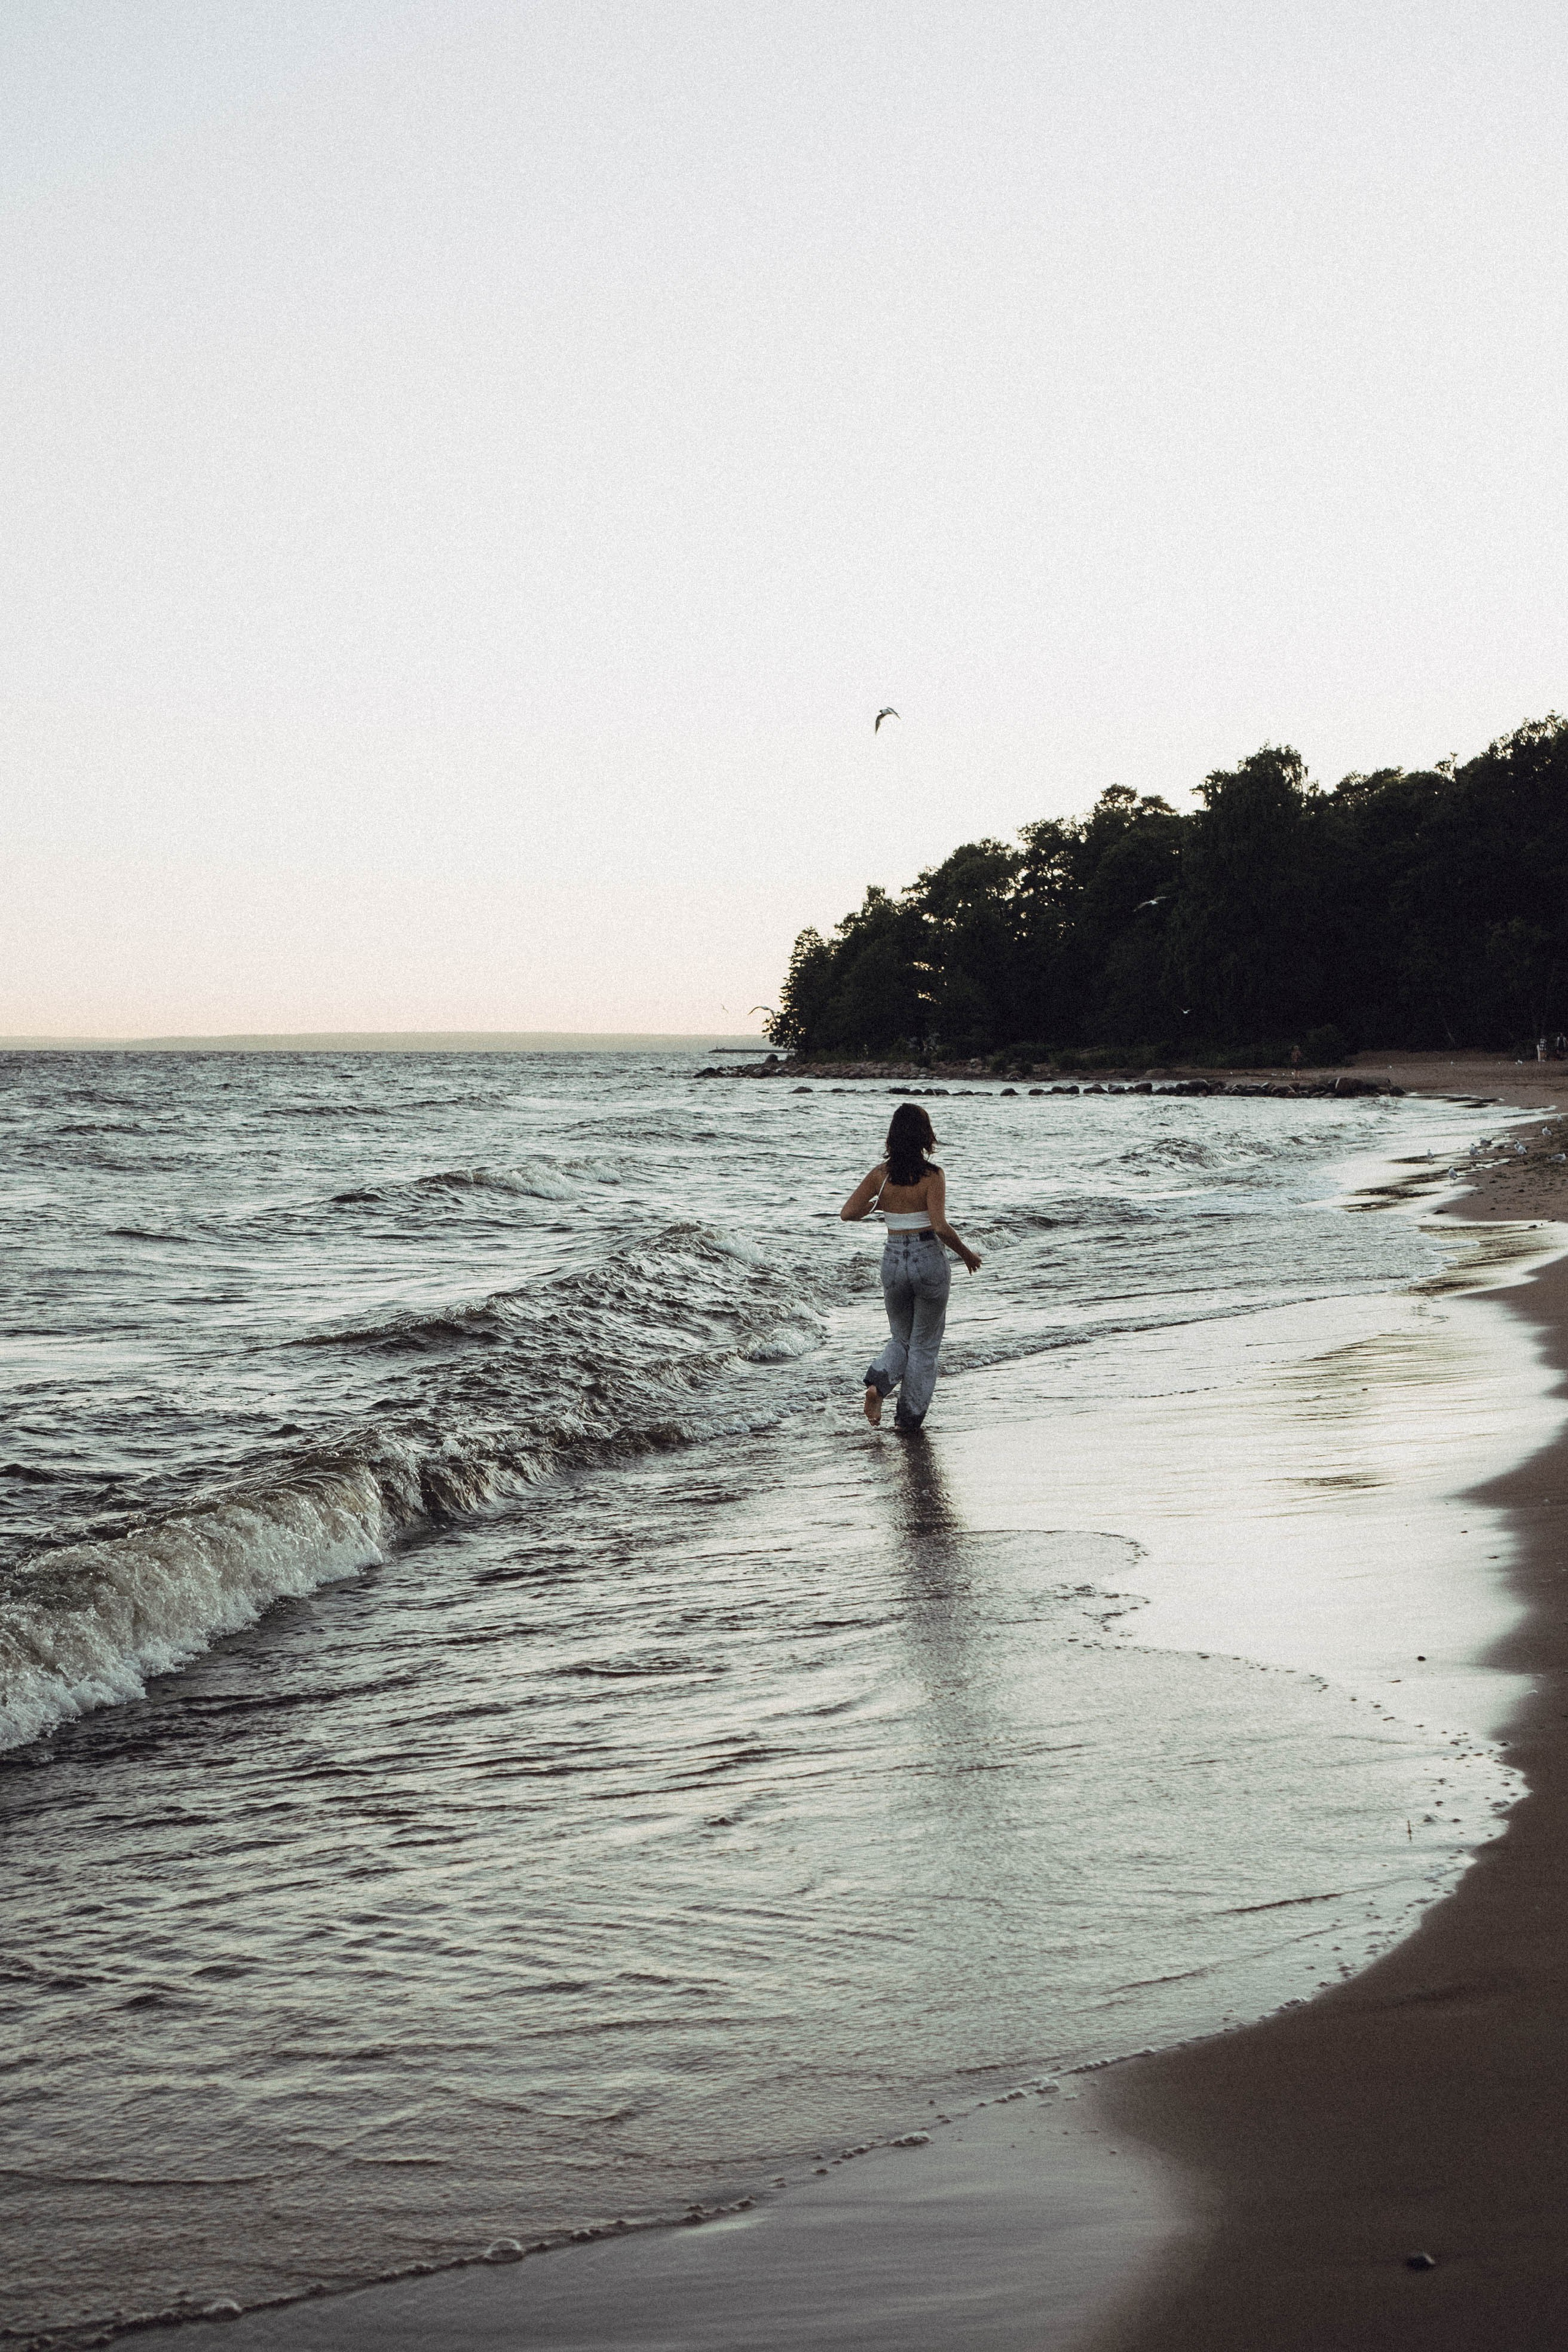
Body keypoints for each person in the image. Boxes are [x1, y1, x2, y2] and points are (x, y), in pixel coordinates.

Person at [840, 1102, 982, 1430]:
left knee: (900, 1339)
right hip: (927, 1259)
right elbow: (940, 1227)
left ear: (892, 1136)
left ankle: (878, 1385)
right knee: (924, 1345)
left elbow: (847, 1213)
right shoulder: (933, 1175)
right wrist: (966, 1254)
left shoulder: (881, 1175)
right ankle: (908, 1420)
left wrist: (877, 1207)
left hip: (892, 1259)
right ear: (924, 1136)